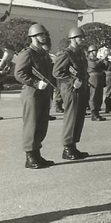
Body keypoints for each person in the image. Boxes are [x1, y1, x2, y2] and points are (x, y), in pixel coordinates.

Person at [14, 23, 55, 168]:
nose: (44, 37)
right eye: (41, 34)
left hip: (44, 93)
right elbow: (19, 73)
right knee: (31, 125)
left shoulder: (43, 53)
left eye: (44, 34)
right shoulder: (27, 53)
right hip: (32, 93)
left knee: (42, 124)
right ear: (33, 37)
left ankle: (37, 154)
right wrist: (35, 83)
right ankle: (30, 156)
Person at [52, 26, 90, 160]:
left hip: (81, 88)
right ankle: (67, 148)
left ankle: (73, 146)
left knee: (78, 118)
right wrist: (72, 80)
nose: (82, 39)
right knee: (71, 118)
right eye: (80, 37)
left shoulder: (79, 53)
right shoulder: (66, 53)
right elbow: (57, 72)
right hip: (70, 89)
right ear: (73, 39)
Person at [86, 45, 107, 121]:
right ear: (90, 52)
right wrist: (102, 60)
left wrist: (105, 61)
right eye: (94, 51)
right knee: (93, 96)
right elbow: (94, 65)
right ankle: (94, 113)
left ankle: (97, 112)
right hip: (93, 79)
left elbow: (104, 66)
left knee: (99, 96)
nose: (96, 52)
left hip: (99, 78)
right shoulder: (89, 59)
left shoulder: (97, 59)